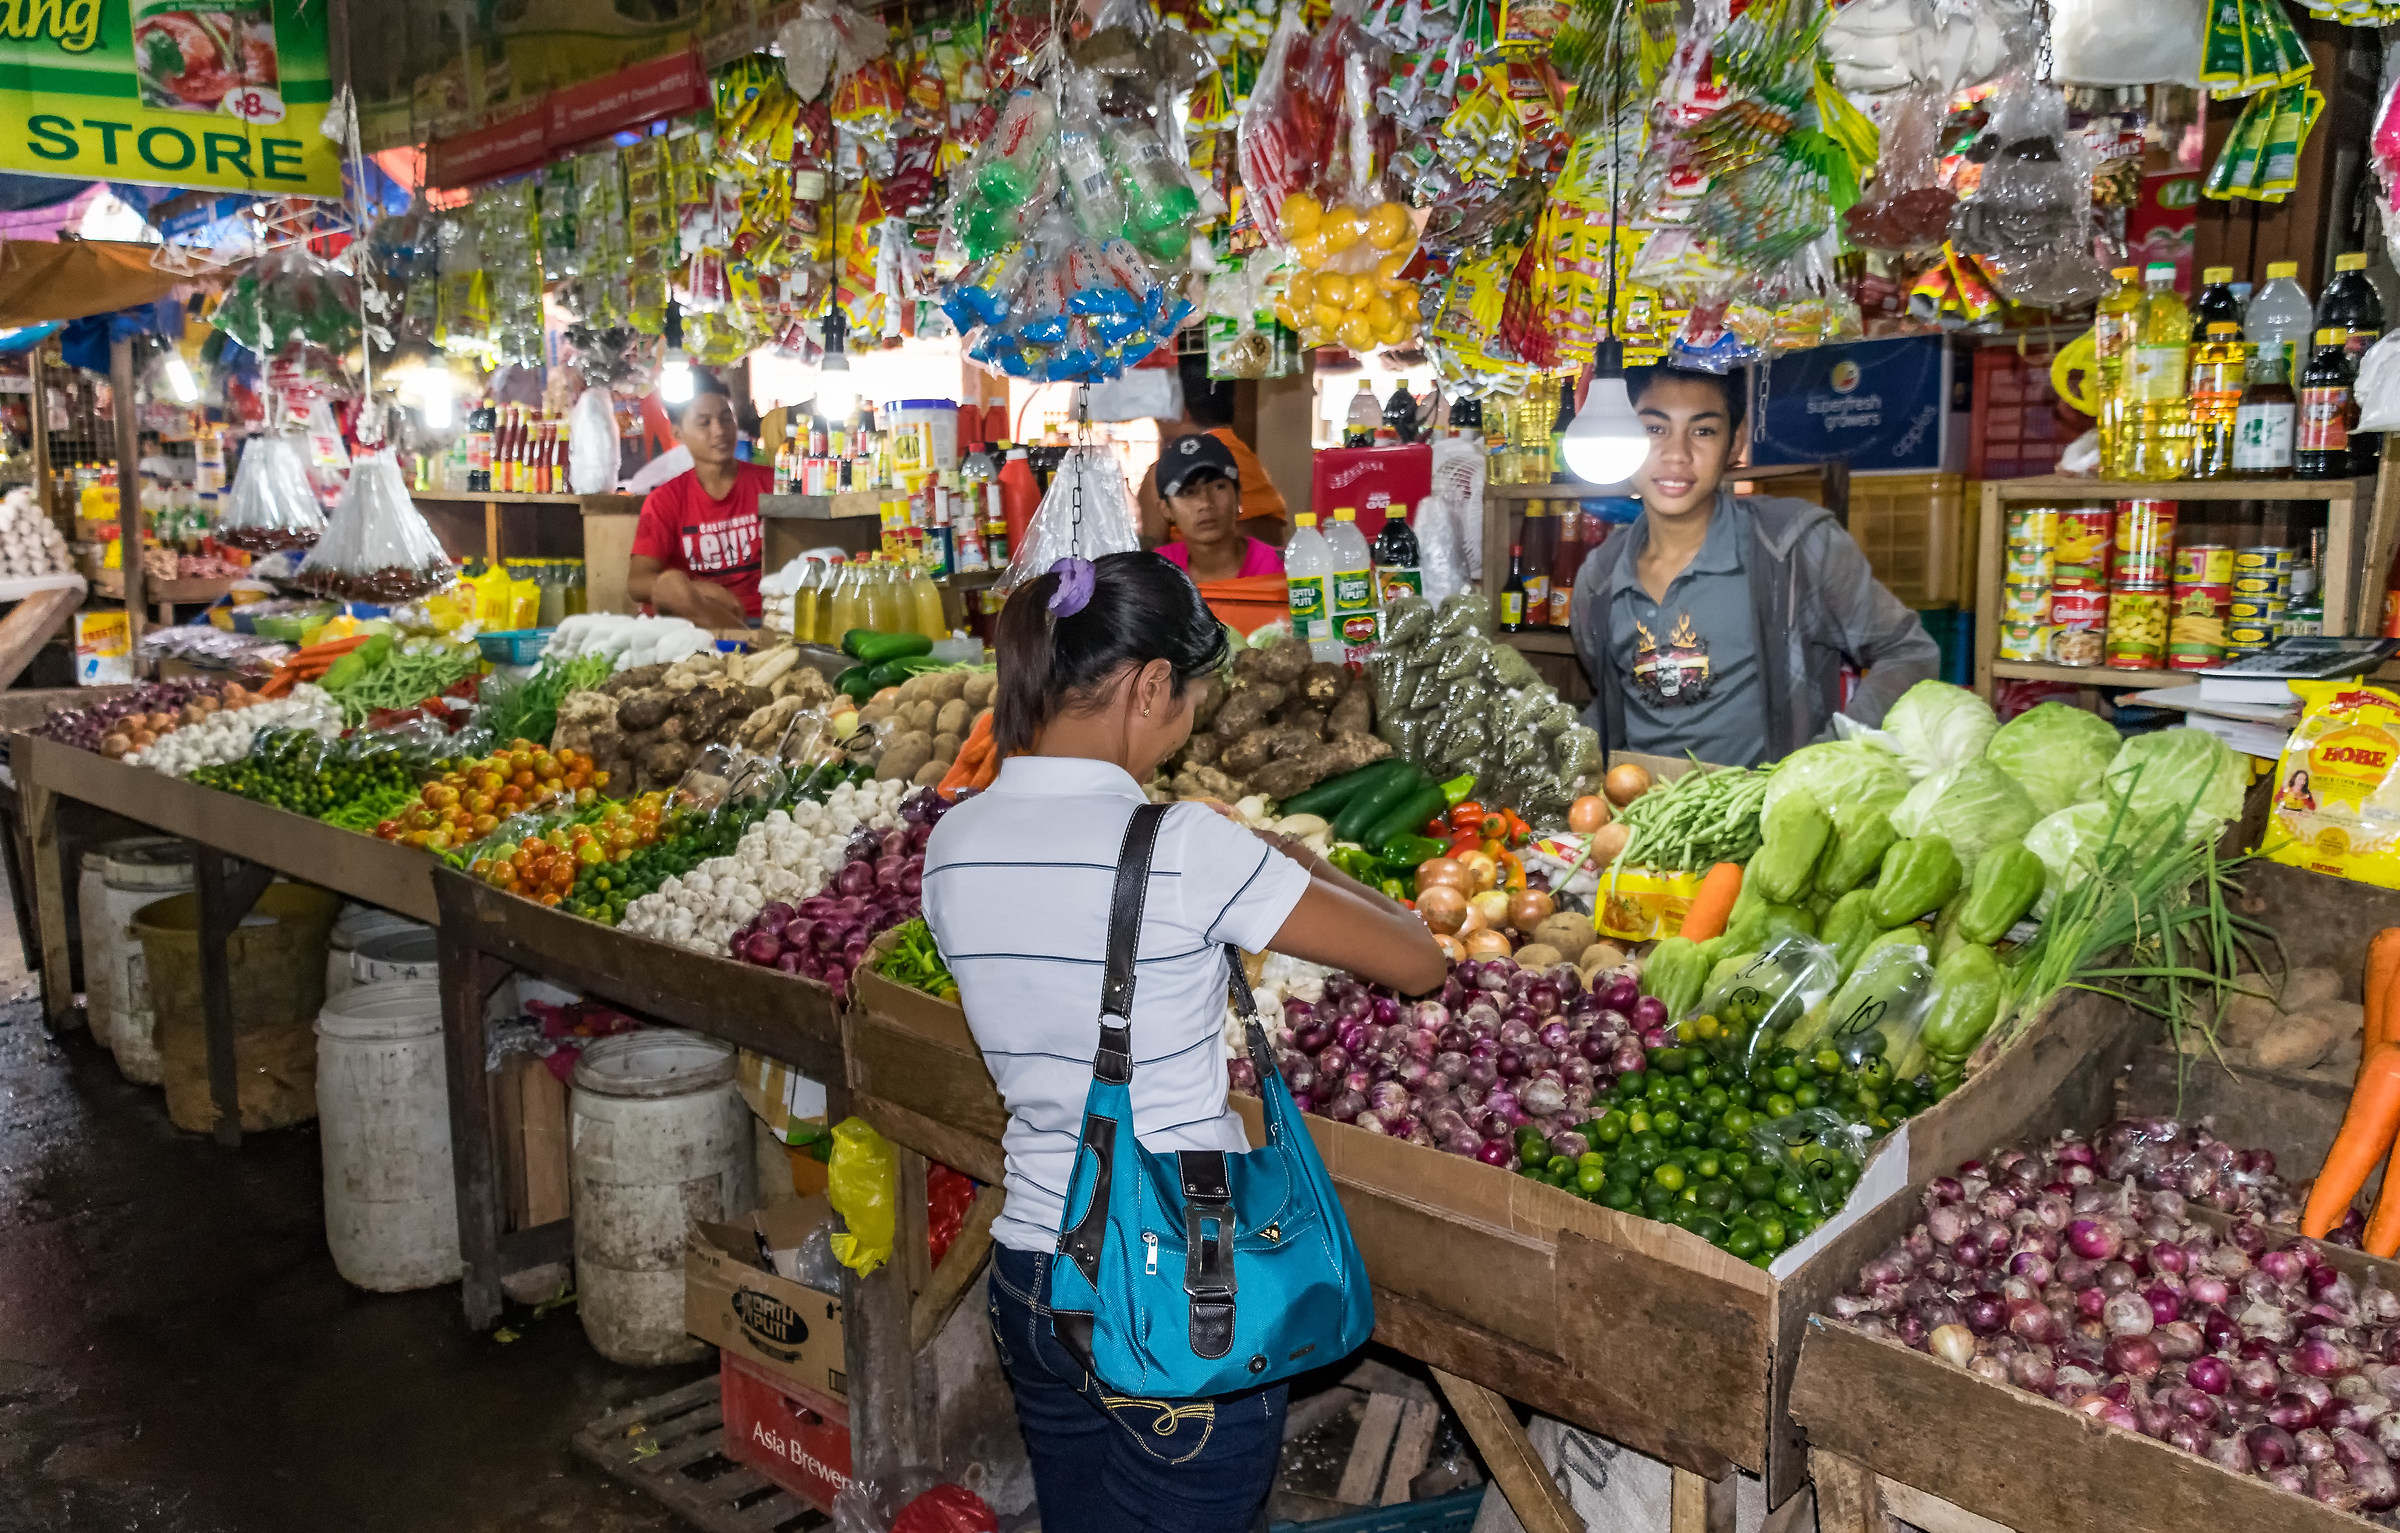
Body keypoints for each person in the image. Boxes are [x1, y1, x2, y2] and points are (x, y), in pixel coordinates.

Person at [922, 552, 1444, 1533]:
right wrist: (1286, 858)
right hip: (1173, 1288)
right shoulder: (1186, 848)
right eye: (1191, 699)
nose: (1188, 723)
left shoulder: (952, 842)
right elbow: (1418, 961)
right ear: (1150, 685)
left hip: (1031, 1275)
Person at [1568, 366, 1939, 766]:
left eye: (1703, 431)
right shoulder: (1600, 578)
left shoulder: (1794, 547)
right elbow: (1611, 702)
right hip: (1636, 822)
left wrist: (1830, 758)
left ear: (1735, 442)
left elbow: (1908, 651)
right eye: (1654, 429)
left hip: (1764, 821)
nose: (1677, 454)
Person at [628, 372, 769, 626]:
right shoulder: (665, 500)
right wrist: (701, 590)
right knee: (671, 586)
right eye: (704, 423)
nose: (719, 431)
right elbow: (637, 583)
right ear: (678, 433)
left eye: (727, 419)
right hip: (697, 624)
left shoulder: (770, 484)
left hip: (764, 619)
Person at [1139, 355, 1289, 550]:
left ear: (1180, 410)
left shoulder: (1160, 474)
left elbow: (1151, 556)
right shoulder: (1246, 457)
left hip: (1202, 579)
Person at [1152, 433, 1286, 581]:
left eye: (1218, 487)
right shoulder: (1158, 572)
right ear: (1166, 509)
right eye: (1188, 492)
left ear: (1238, 496)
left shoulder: (1279, 571)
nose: (1206, 503)